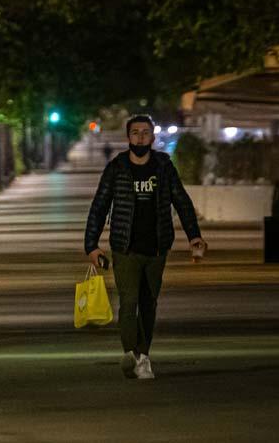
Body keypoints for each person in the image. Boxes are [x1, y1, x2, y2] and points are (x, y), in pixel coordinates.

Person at [83, 114, 207, 380]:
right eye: (136, 132)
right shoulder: (117, 168)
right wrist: (91, 246)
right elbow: (99, 206)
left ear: (153, 137)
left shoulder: (163, 166)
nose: (140, 137)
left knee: (149, 303)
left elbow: (181, 201)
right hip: (125, 247)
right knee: (129, 302)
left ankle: (144, 357)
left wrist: (194, 235)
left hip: (157, 247)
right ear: (128, 137)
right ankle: (129, 351)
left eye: (145, 132)